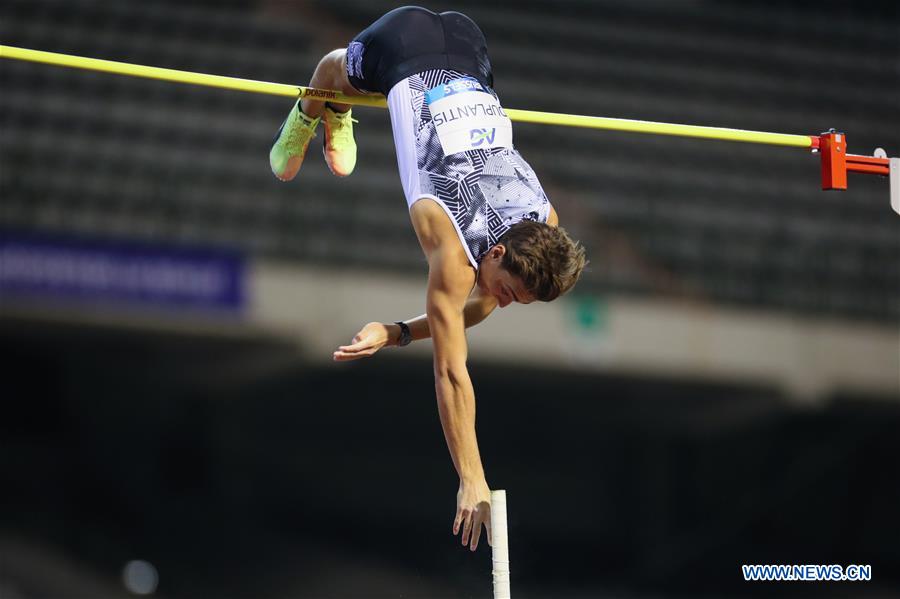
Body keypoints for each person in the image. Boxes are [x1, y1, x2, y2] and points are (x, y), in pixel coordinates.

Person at [270, 6, 586, 552]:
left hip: (468, 48)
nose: (504, 304)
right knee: (335, 71)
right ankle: (323, 109)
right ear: (499, 252)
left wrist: (395, 331)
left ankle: (338, 104)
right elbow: (452, 372)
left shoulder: (544, 224)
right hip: (403, 45)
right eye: (510, 291)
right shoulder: (450, 241)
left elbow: (483, 305)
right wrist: (472, 477)